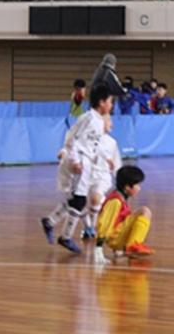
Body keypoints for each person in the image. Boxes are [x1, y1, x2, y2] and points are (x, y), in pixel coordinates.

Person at [44, 84, 114, 253]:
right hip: (80, 160)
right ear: (102, 102)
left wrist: (107, 157)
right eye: (110, 101)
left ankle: (50, 222)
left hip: (87, 161)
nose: (112, 105)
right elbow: (74, 138)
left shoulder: (98, 121)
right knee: (80, 200)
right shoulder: (88, 118)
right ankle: (65, 237)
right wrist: (75, 160)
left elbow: (95, 144)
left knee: (77, 200)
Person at [94, 165, 155, 264]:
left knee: (140, 213)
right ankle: (132, 245)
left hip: (117, 237)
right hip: (114, 237)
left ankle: (127, 247)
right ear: (127, 187)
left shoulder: (121, 198)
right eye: (137, 185)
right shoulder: (115, 201)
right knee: (144, 211)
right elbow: (105, 222)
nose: (139, 189)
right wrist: (98, 247)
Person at [81, 114, 122, 239]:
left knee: (95, 198)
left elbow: (116, 164)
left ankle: (94, 227)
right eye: (107, 119)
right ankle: (88, 227)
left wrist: (121, 181)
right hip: (86, 175)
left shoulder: (111, 142)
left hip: (103, 176)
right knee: (79, 203)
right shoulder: (87, 139)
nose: (111, 122)